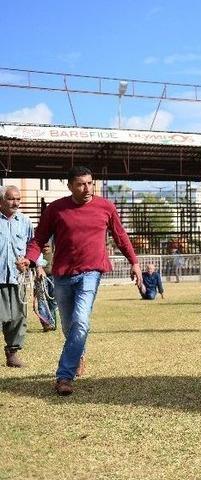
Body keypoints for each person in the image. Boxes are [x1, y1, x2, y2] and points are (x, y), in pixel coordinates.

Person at [17, 166, 142, 396]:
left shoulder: (106, 206)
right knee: (69, 326)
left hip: (91, 273)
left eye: (90, 183)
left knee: (81, 321)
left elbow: (120, 236)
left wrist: (134, 262)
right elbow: (39, 238)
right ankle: (78, 353)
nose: (87, 188)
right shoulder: (56, 209)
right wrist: (29, 258)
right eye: (81, 184)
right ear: (70, 186)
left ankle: (64, 376)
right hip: (62, 275)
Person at [1, 186, 34, 368]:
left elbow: (34, 246)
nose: (16, 203)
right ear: (2, 200)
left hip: (17, 278)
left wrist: (33, 262)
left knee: (18, 317)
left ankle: (12, 353)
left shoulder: (25, 222)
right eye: (11, 199)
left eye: (18, 199)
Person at [34, 244, 59, 332]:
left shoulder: (54, 240)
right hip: (40, 277)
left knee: (53, 300)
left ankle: (51, 321)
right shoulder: (37, 241)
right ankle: (46, 323)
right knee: (42, 301)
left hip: (53, 276)